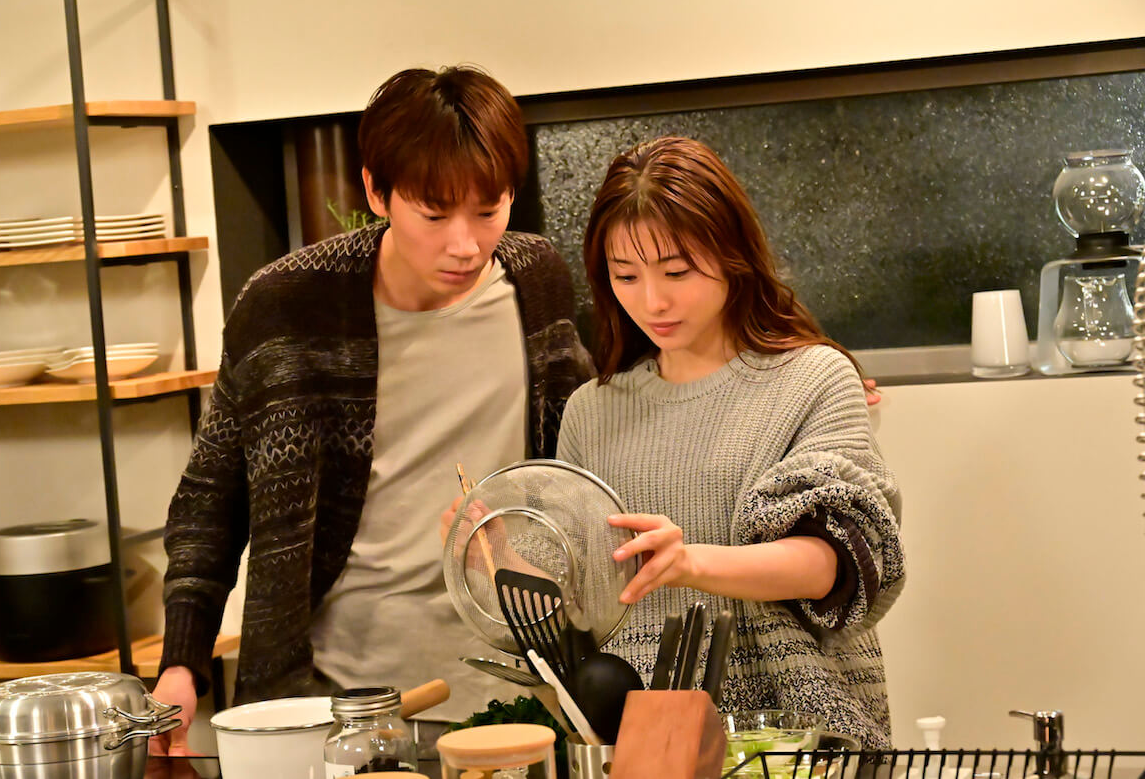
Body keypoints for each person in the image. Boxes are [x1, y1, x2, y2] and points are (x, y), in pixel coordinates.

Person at [151, 65, 594, 755]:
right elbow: (211, 497)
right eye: (434, 214)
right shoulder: (287, 306)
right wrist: (182, 661)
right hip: (337, 704)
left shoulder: (539, 283)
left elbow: (580, 467)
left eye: (489, 210)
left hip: (520, 691)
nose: (465, 244)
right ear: (375, 191)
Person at [555, 136, 905, 748]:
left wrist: (691, 563)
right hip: (645, 740)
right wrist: (497, 551)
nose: (653, 301)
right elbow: (580, 597)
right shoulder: (590, 411)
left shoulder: (814, 378)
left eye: (677, 272)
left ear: (732, 253)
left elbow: (837, 563)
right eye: (625, 276)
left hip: (799, 734)